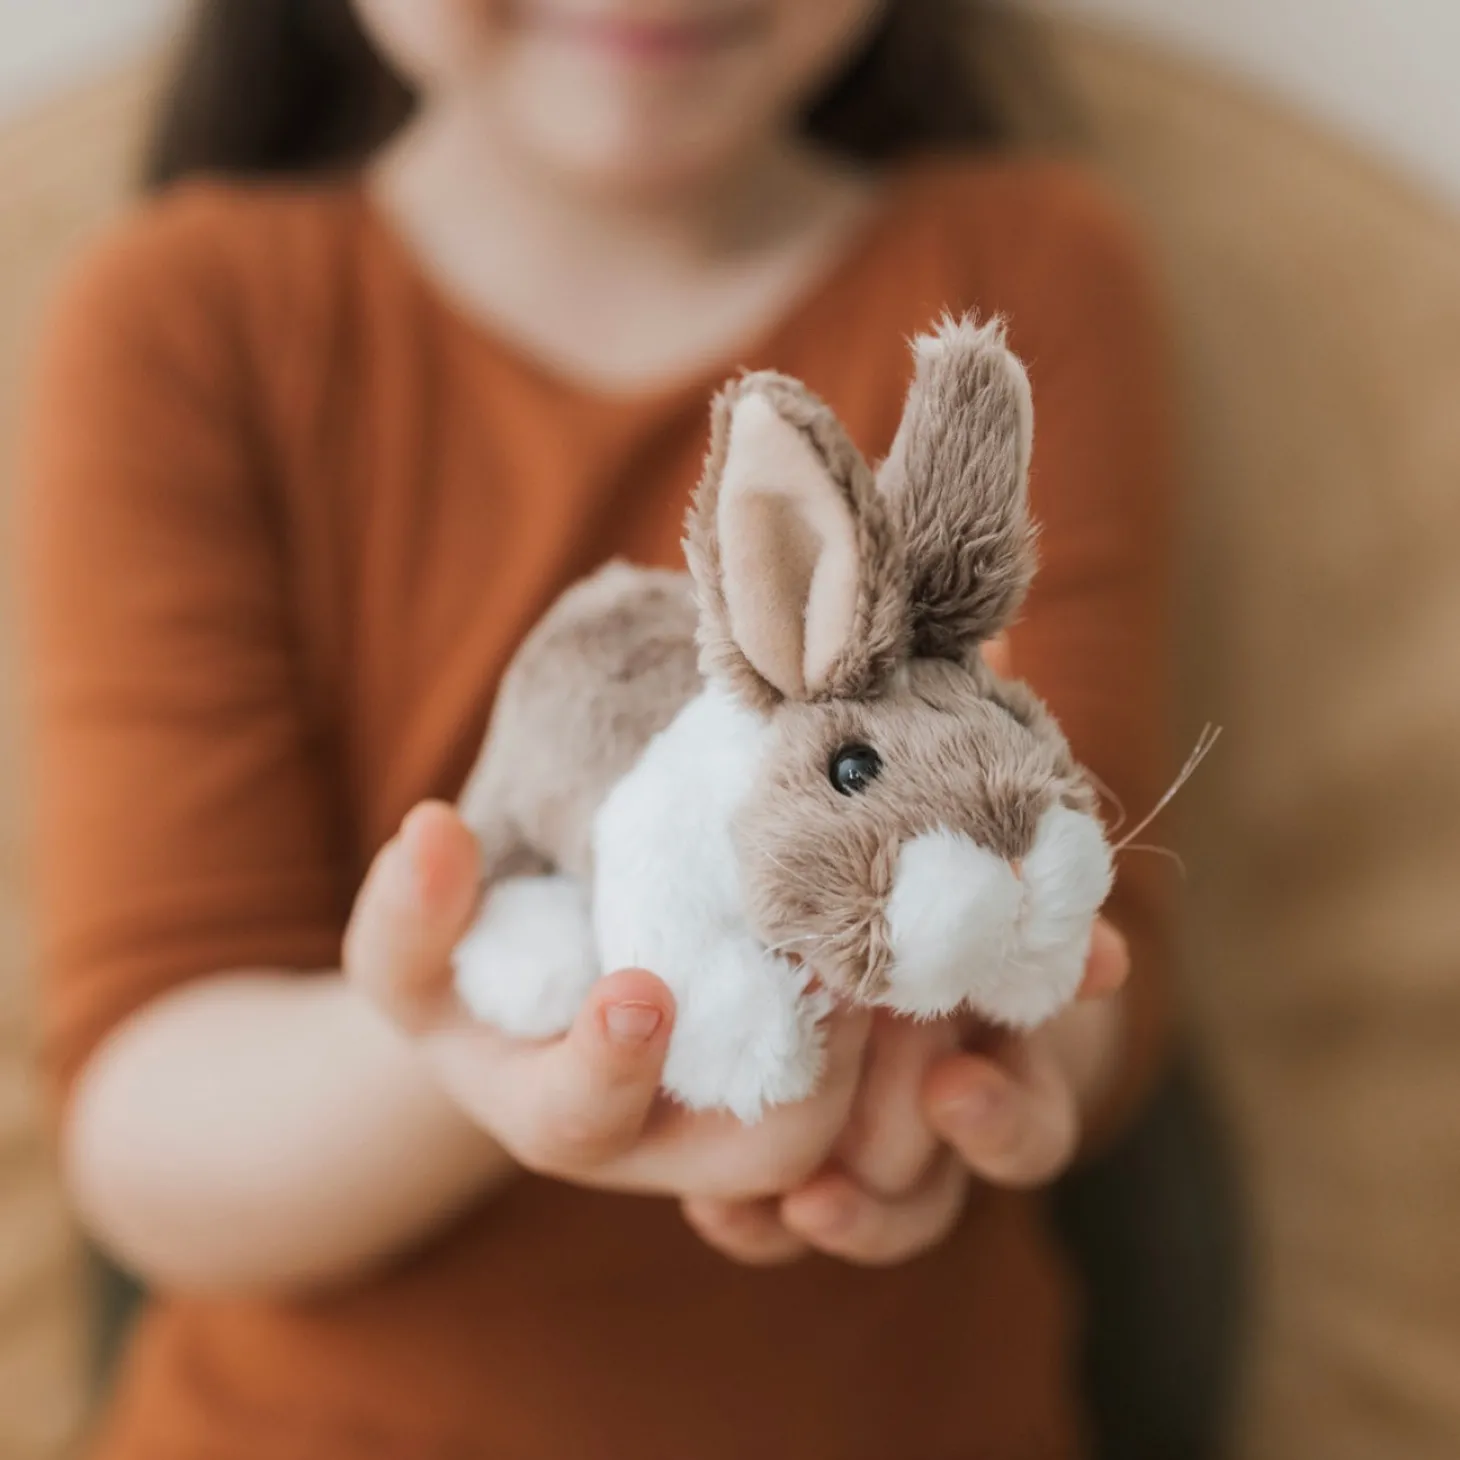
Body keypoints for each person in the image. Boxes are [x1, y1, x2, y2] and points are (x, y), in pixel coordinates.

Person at [20, 2, 1180, 1456]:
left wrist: (978, 1061)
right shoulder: (182, 318)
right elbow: (151, 1131)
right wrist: (479, 1029)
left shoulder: (1014, 281)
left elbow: (1108, 939)